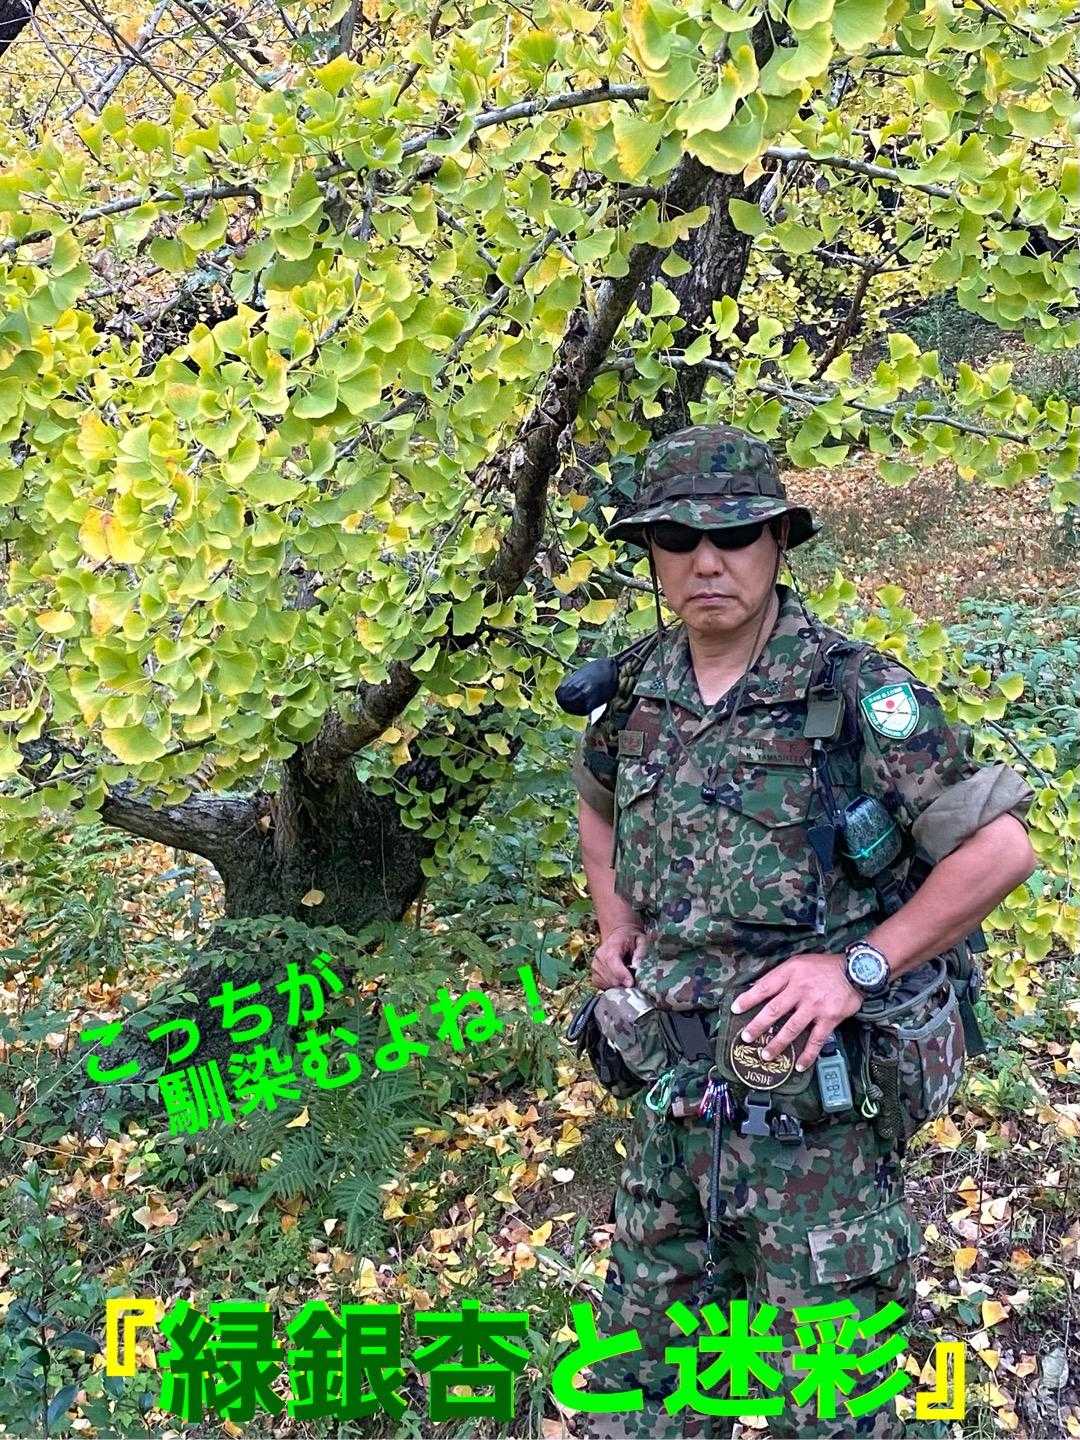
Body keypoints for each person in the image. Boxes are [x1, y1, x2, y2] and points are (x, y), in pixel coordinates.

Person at [570, 424, 1036, 1438]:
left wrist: (858, 966)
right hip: (673, 1110)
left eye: (734, 535)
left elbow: (999, 850)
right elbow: (598, 806)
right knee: (634, 1397)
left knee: (825, 1409)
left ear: (779, 541)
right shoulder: (637, 691)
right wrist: (615, 925)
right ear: (650, 553)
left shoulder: (854, 692)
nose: (706, 562)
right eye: (677, 539)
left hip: (816, 1141)